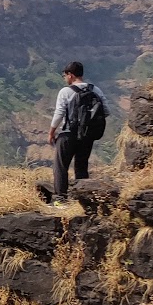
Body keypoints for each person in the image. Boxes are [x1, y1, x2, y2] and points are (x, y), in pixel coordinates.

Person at [48, 60, 108, 203]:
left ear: (70, 75)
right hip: (87, 136)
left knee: (61, 166)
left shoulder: (65, 91)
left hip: (68, 134)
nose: (65, 78)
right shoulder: (95, 90)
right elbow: (106, 111)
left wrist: (51, 132)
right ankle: (83, 200)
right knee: (81, 166)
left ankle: (60, 199)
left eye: (65, 75)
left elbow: (59, 114)